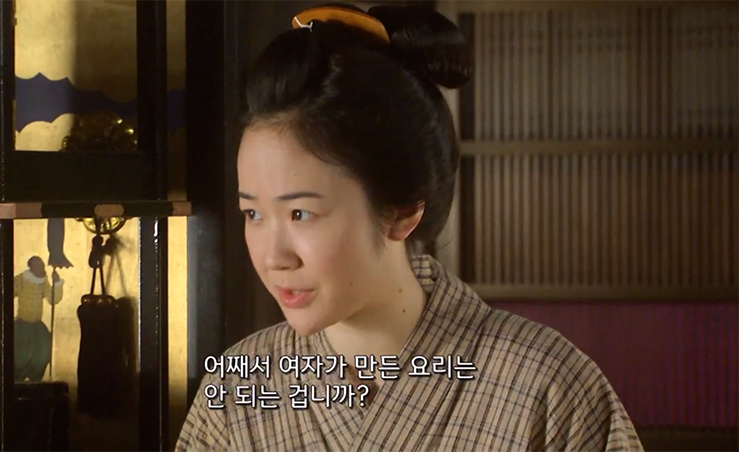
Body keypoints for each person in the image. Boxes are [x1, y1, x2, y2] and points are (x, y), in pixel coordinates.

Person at [177, 4, 643, 451]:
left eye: (300, 214)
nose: (273, 257)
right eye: (253, 214)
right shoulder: (237, 390)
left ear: (402, 211)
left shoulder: (547, 384)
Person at [14, 255, 64, 382]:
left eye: (42, 265)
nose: (41, 268)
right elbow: (9, 291)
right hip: (22, 324)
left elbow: (53, 299)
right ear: (31, 267)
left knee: (43, 350)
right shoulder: (21, 280)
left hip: (36, 325)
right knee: (20, 353)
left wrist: (57, 283)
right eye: (37, 265)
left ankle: (35, 378)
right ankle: (17, 378)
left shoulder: (43, 283)